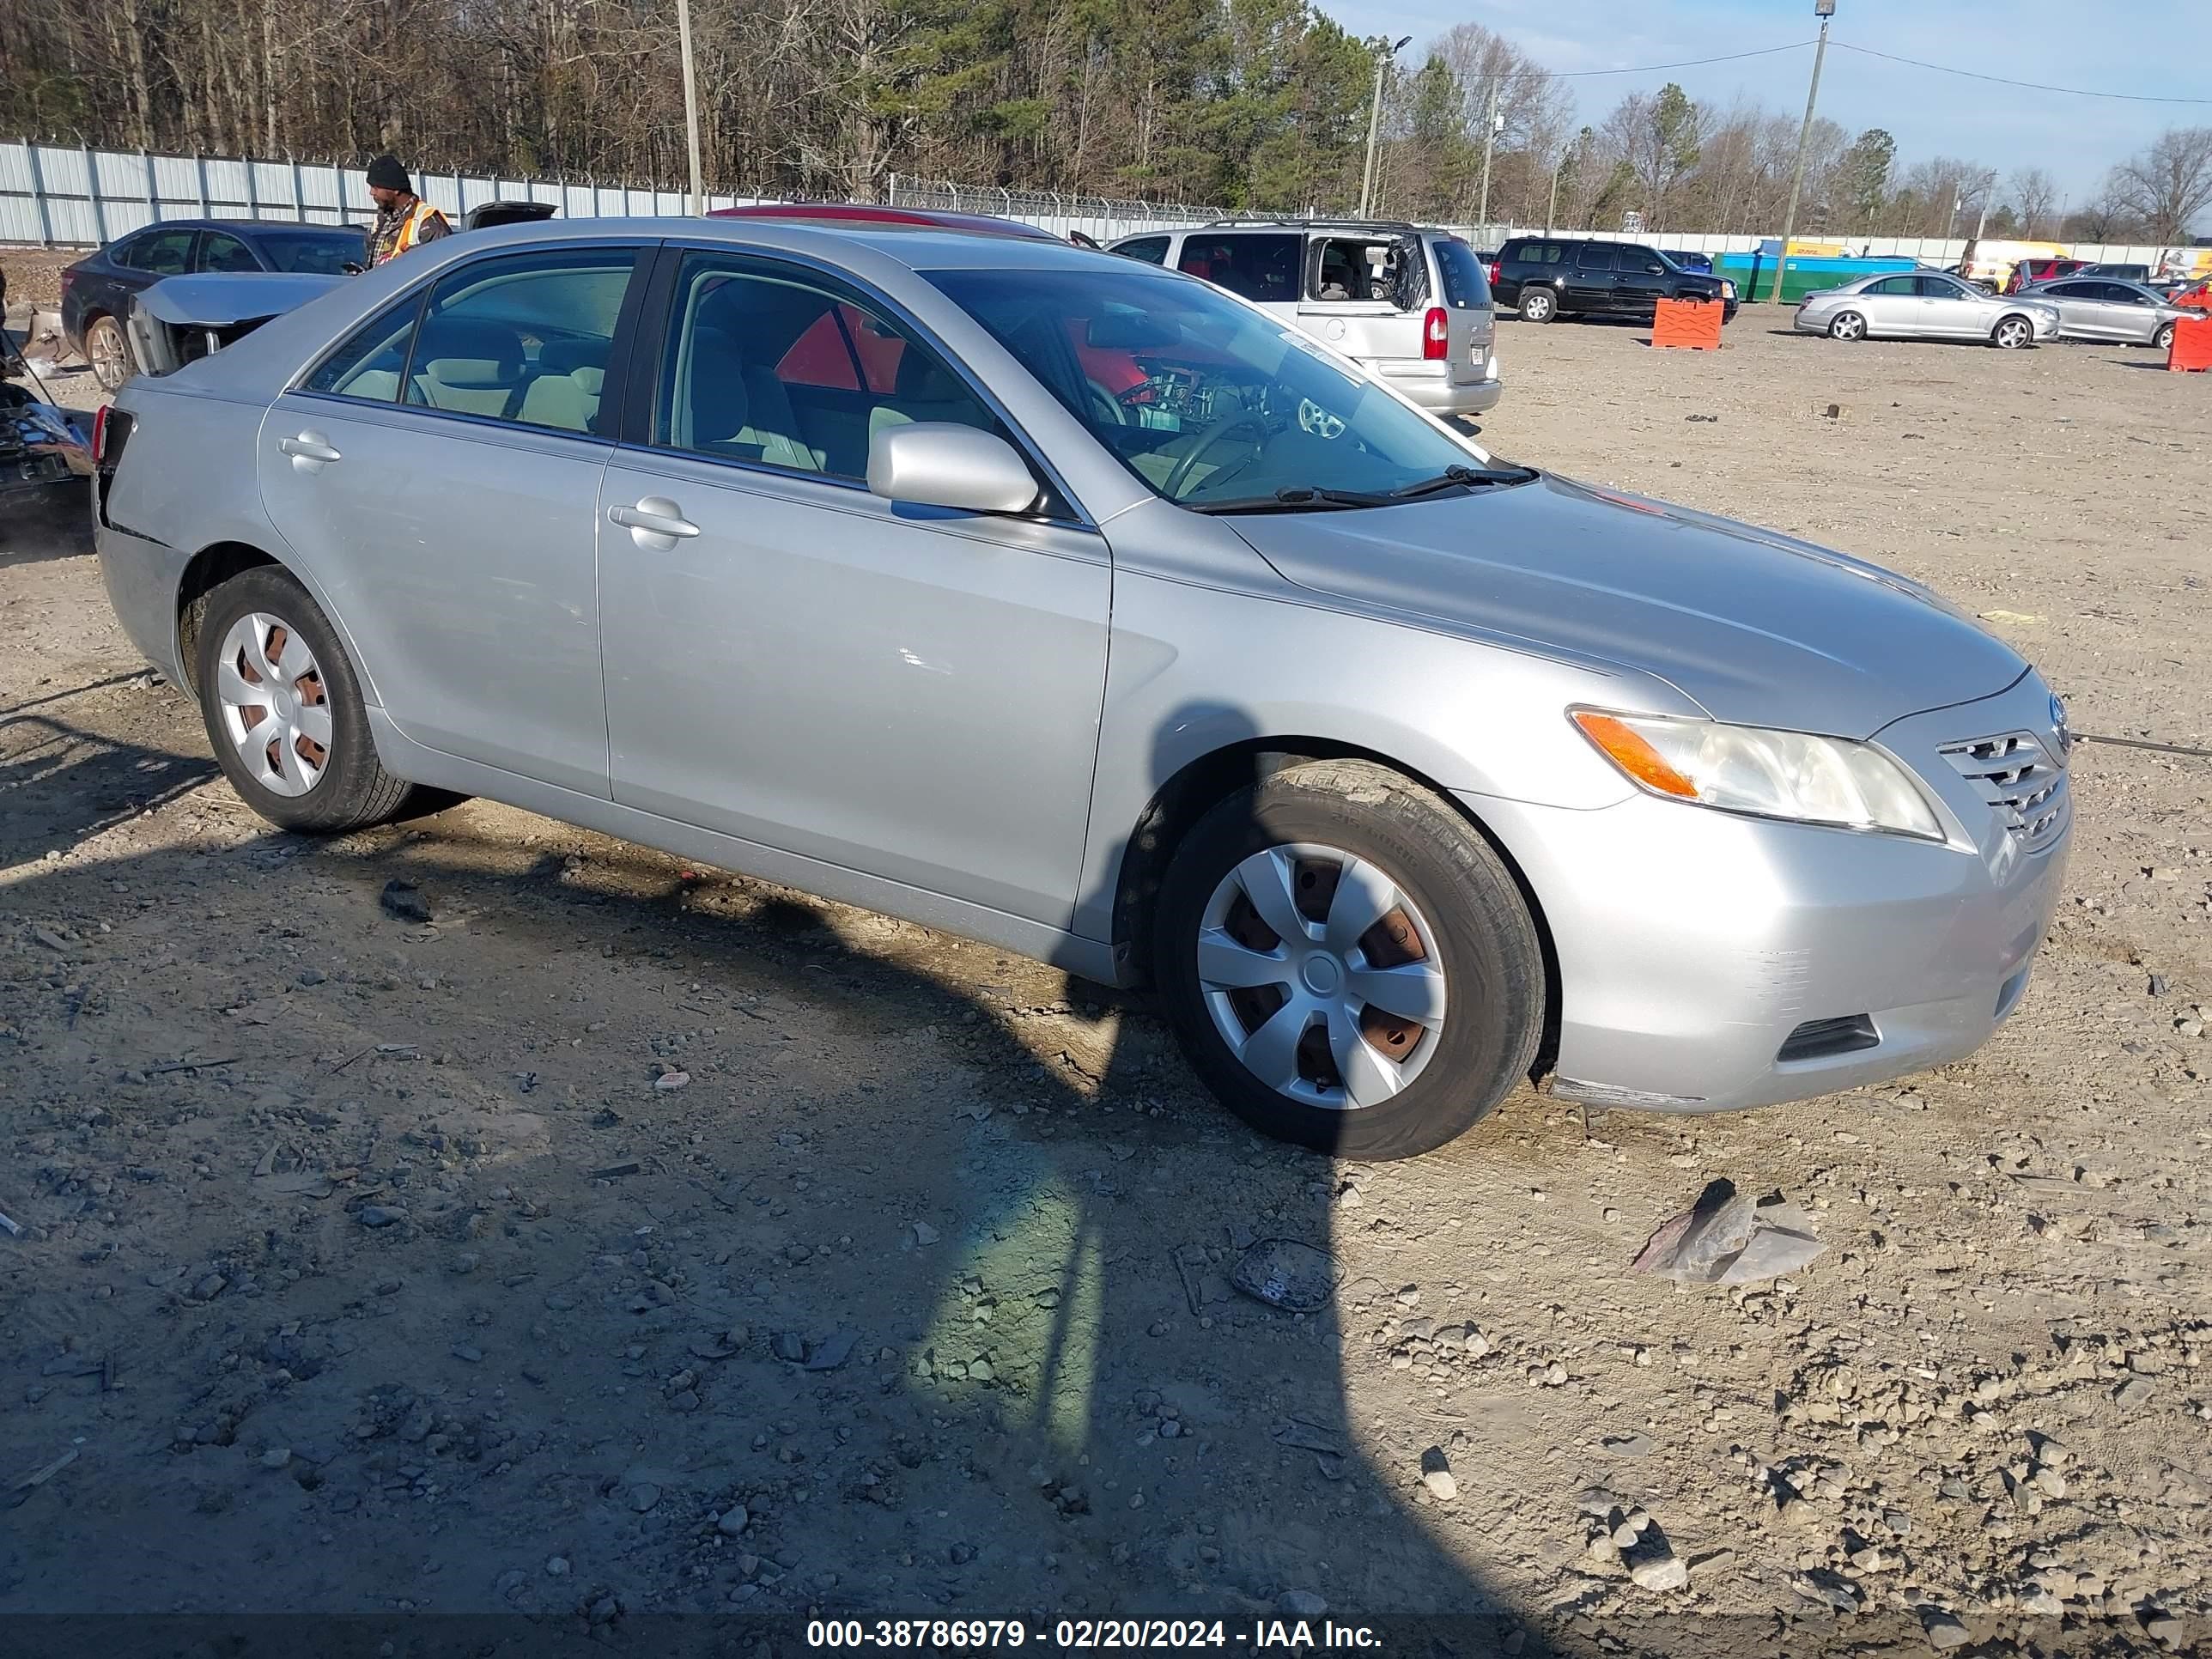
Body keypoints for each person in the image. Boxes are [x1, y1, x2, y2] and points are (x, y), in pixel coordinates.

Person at [364, 155, 451, 267]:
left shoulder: (427, 221)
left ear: (395, 189)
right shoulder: (382, 220)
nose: (371, 193)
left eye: (375, 188)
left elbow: (442, 267)